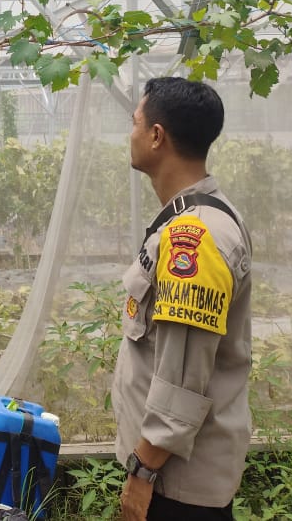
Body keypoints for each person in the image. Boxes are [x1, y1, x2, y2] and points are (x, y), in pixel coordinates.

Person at [112, 77, 253, 521]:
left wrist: (142, 473)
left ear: (157, 136)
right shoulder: (193, 217)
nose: (130, 134)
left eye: (135, 122)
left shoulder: (196, 237)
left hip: (175, 486)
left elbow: (183, 378)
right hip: (172, 476)